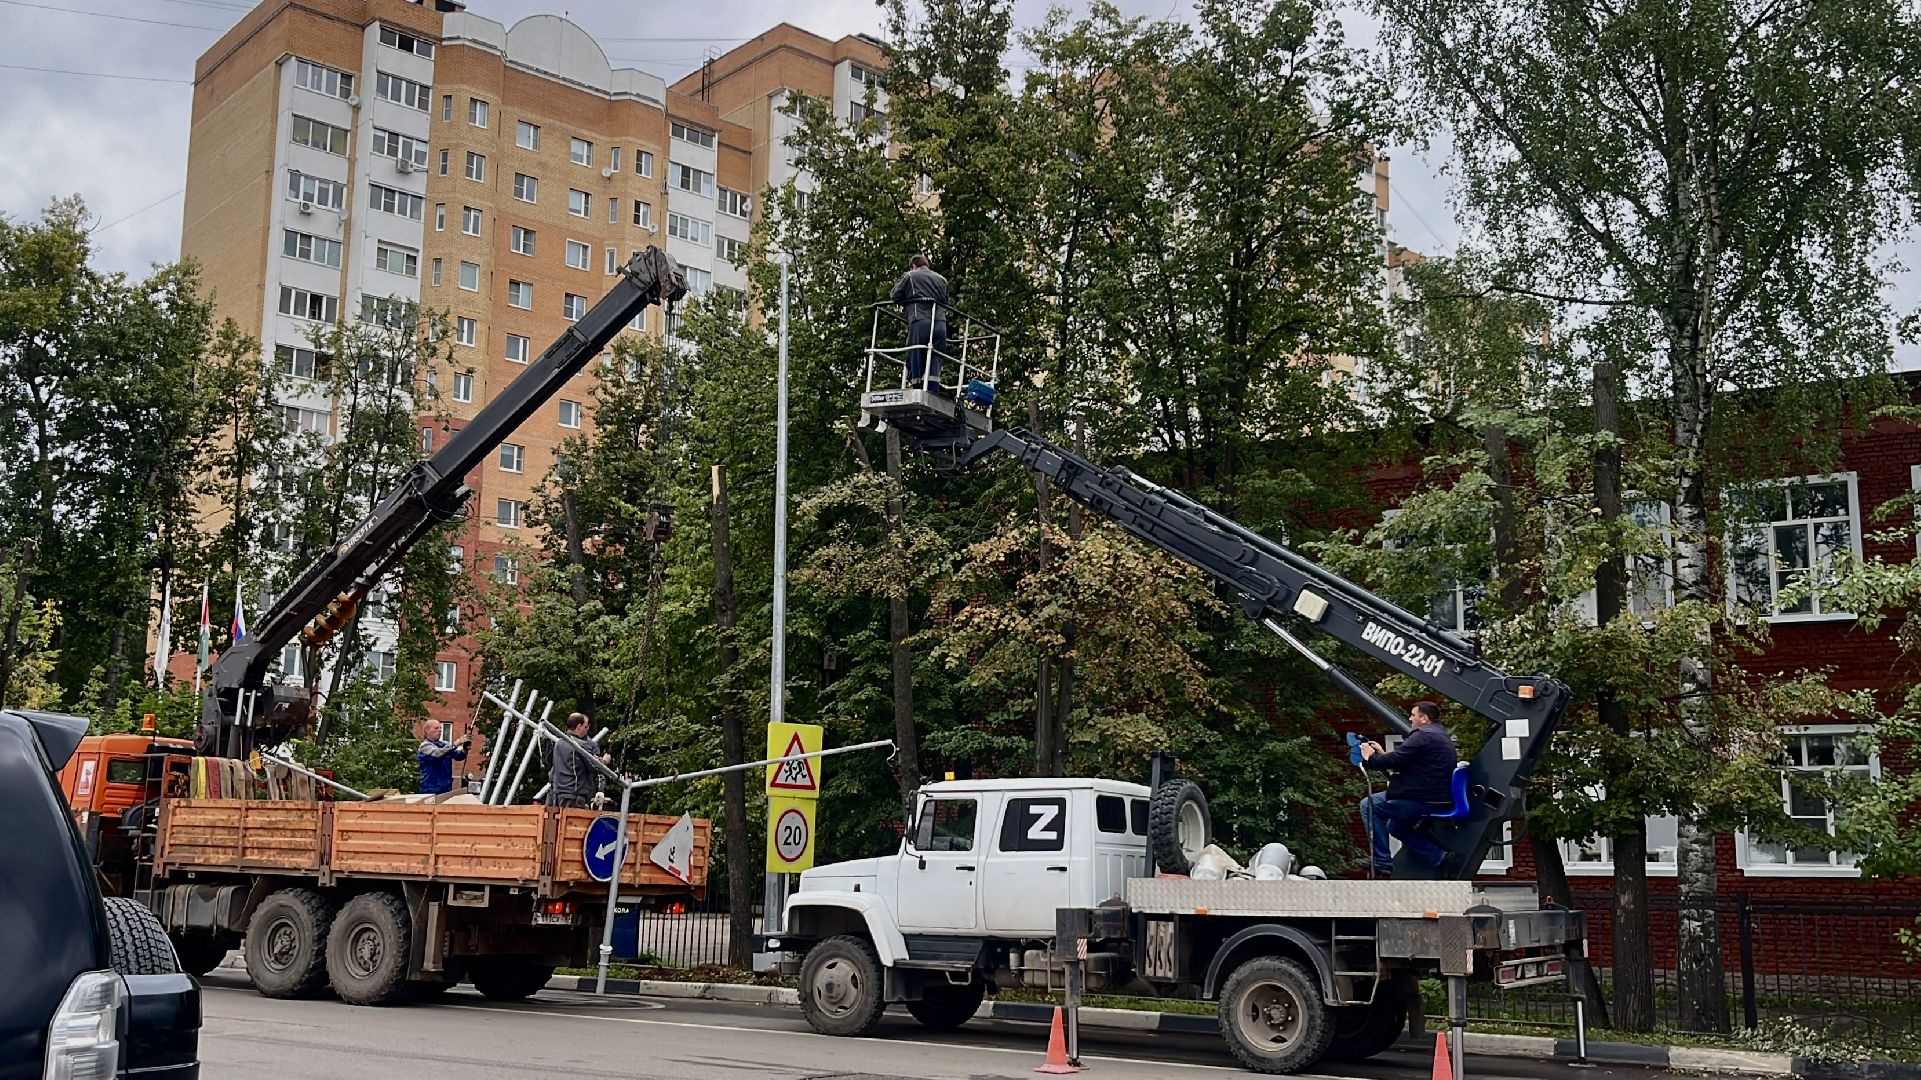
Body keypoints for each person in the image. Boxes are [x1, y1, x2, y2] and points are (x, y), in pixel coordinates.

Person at [1357, 701, 1457, 876]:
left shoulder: (1422, 735)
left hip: (1420, 798)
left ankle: (1382, 862)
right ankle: (1438, 856)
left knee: (1368, 805)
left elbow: (1396, 760)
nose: (1410, 718)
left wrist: (1369, 757)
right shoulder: (1439, 735)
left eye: (1413, 715)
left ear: (1424, 718)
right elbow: (1404, 759)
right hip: (1435, 798)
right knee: (1396, 827)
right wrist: (1382, 753)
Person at [889, 254, 949, 391]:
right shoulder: (942, 280)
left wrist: (907, 301)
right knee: (936, 355)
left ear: (914, 266)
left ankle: (917, 386)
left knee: (915, 353)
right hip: (940, 324)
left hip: (919, 320)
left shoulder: (910, 276)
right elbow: (945, 300)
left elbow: (895, 295)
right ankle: (933, 388)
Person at [549, 711, 611, 809]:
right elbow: (595, 767)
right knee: (572, 822)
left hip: (558, 793)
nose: (586, 731)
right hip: (573, 794)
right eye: (585, 727)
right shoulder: (580, 745)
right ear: (579, 726)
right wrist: (604, 761)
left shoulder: (559, 743)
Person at [416, 729, 470, 795]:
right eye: (436, 728)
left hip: (446, 789)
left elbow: (457, 756)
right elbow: (438, 754)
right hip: (430, 790)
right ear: (427, 731)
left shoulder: (444, 745)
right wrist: (457, 743)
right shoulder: (424, 746)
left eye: (440, 728)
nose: (439, 730)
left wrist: (464, 750)